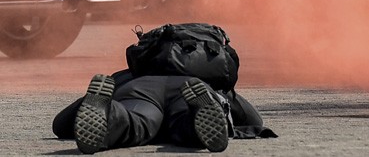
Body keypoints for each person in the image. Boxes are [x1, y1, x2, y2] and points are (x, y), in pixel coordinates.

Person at [52, 71, 276, 154]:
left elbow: (60, 124)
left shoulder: (126, 73)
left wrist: (92, 102)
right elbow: (254, 119)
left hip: (138, 89)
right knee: (185, 125)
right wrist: (227, 96)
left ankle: (111, 114)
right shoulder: (210, 76)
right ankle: (198, 118)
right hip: (192, 87)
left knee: (135, 123)